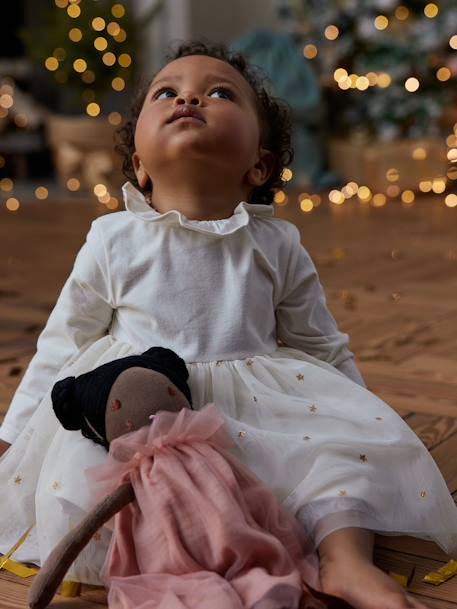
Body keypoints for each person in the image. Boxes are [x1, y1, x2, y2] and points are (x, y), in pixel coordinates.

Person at [0, 40, 456, 609]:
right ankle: (178, 558)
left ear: (259, 164)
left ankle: (346, 562)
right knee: (91, 474)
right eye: (167, 92)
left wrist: (360, 423)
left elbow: (319, 343)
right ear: (140, 165)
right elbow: (61, 342)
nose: (189, 97)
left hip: (262, 408)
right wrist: (14, 432)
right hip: (147, 413)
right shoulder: (114, 239)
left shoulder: (276, 242)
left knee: (337, 466)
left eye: (219, 93)